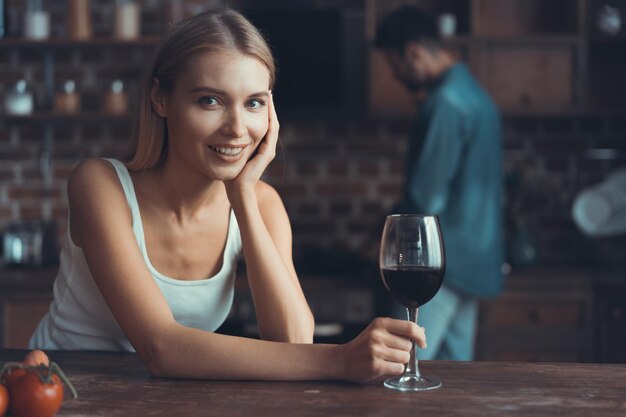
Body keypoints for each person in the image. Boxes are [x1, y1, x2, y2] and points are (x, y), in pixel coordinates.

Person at [29, 8, 426, 383]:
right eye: (210, 101)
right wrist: (339, 359)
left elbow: (292, 343)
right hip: (59, 391)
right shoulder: (99, 184)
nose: (237, 128)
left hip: (166, 401)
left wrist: (242, 196)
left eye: (253, 103)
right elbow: (161, 348)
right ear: (160, 99)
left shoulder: (262, 202)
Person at [374, 6, 504, 361]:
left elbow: (424, 199)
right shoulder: (477, 95)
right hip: (475, 263)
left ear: (412, 52)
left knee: (401, 368)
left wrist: (384, 241)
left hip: (436, 269)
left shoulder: (445, 103)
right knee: (452, 378)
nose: (395, 75)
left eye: (393, 64)